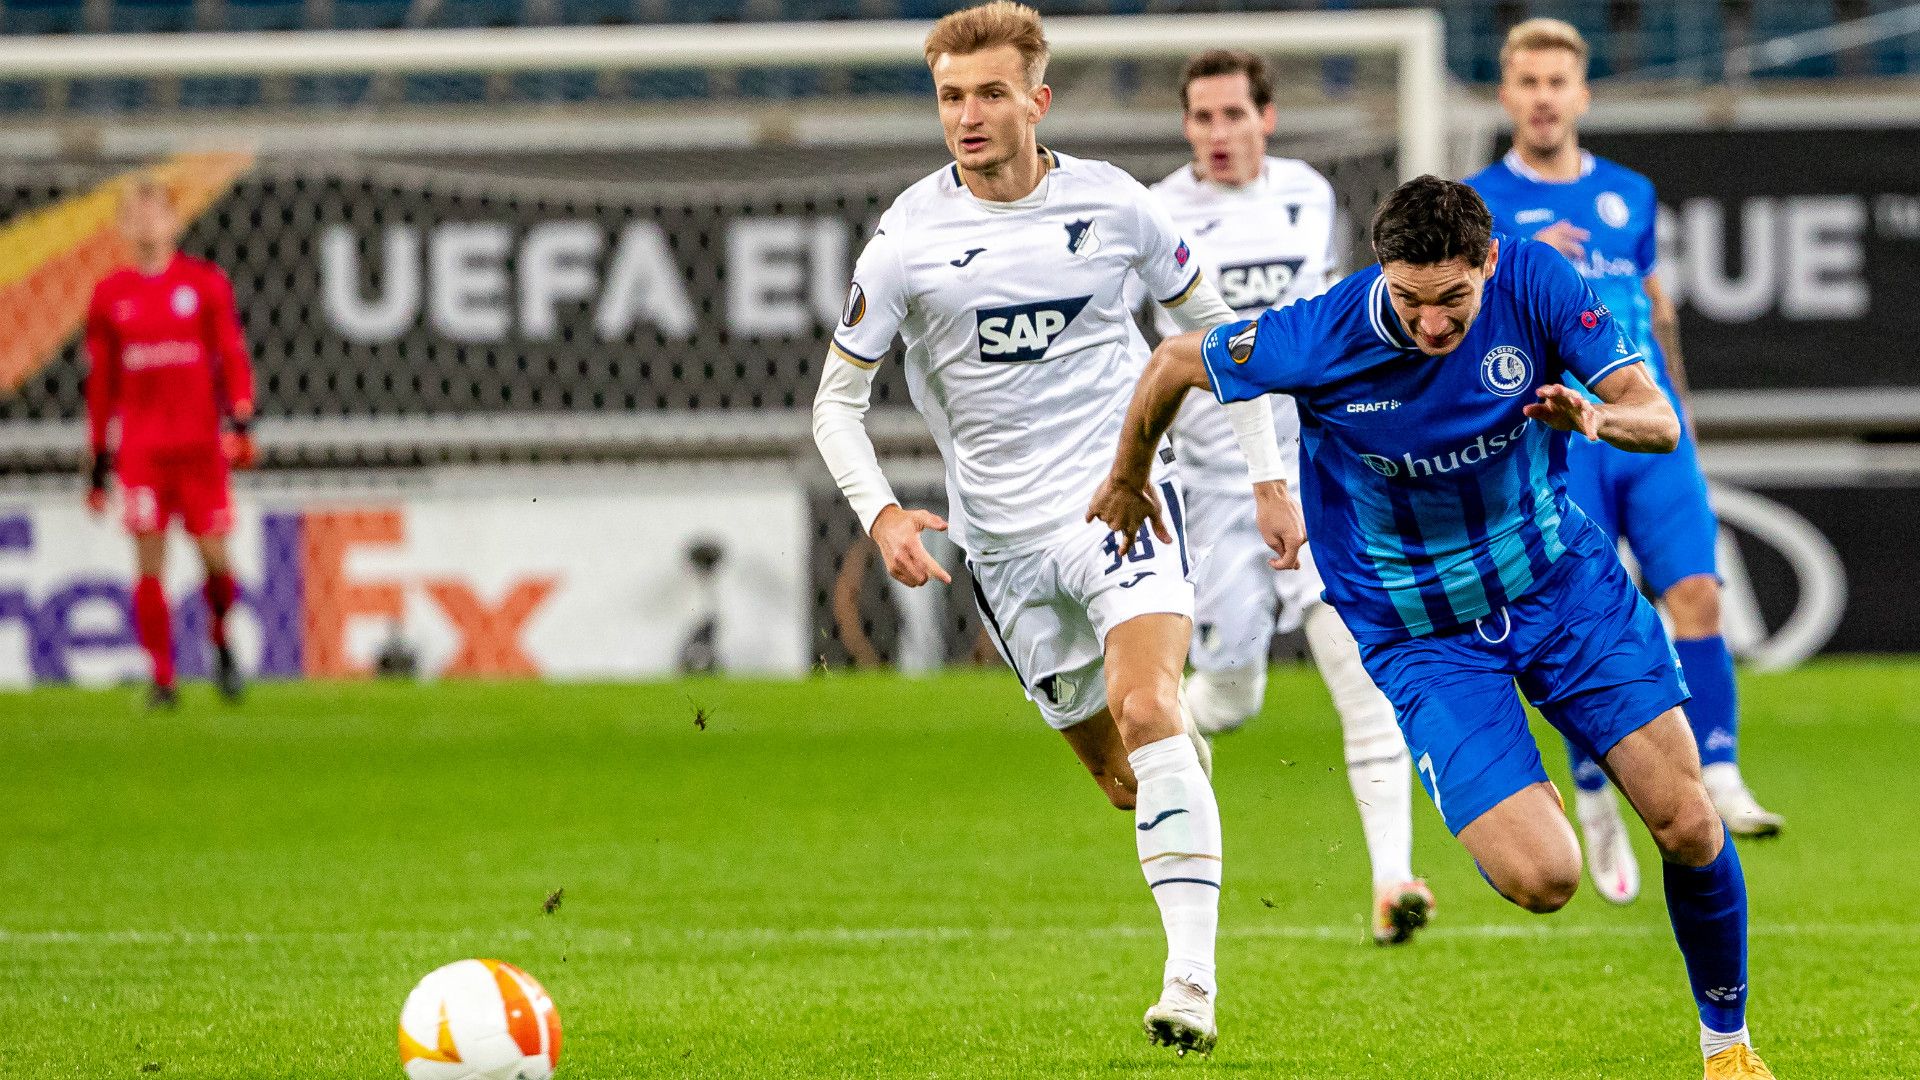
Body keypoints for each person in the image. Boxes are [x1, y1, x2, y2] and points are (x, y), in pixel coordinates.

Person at [1091, 176, 1775, 1079]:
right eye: (1410, 300)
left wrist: (1600, 416)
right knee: (1545, 880)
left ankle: (1727, 1047)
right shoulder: (1321, 333)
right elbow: (1175, 362)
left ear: (1488, 263)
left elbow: (1655, 415)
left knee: (1688, 821)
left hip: (1561, 589)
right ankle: (1523, 782)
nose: (1433, 325)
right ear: (1384, 273)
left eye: (1453, 298)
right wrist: (1132, 473)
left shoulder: (1539, 283)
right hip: (1424, 635)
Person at [810, 2, 1244, 1056]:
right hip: (999, 546)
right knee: (1123, 777)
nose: (967, 114)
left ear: (1036, 101)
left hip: (1120, 503)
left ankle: (1191, 980)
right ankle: (1183, 786)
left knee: (1149, 707)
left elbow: (1220, 335)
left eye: (990, 93)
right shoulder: (906, 242)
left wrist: (1268, 479)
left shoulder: (1115, 207)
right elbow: (837, 402)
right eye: (951, 96)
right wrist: (881, 515)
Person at [1469, 18, 1783, 906]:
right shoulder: (1479, 203)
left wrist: (1676, 406)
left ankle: (1718, 772)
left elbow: (1654, 303)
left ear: (1581, 95)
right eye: (1526, 82)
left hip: (1642, 435)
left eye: (1556, 81)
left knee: (1698, 593)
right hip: (1561, 435)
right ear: (1506, 95)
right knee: (1587, 615)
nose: (1542, 97)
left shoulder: (1630, 195)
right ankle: (1598, 790)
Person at [1142, 48, 1430, 946]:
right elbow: (1153, 356)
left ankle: (1394, 883)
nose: (1218, 134)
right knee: (1233, 694)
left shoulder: (1309, 195)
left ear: (1267, 116)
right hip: (1216, 487)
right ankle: (1160, 739)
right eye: (1202, 117)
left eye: (1234, 115)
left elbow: (1332, 330)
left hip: (1319, 471)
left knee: (1361, 675)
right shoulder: (1154, 215)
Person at [85, 177, 257, 708]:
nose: (145, 223)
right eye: (134, 215)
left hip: (200, 448)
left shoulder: (203, 284)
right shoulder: (111, 296)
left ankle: (221, 636)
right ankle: (162, 678)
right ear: (120, 227)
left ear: (174, 222)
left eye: (154, 212)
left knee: (215, 561)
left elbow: (230, 354)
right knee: (149, 562)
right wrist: (98, 461)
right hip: (142, 451)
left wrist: (242, 419)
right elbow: (101, 384)